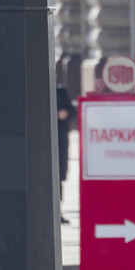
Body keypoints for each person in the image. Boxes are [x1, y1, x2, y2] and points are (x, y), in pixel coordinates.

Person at [56, 83, 76, 224]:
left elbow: (72, 110)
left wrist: (66, 113)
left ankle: (58, 211)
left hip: (60, 137)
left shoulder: (60, 91)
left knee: (58, 176)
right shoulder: (35, 92)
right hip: (41, 138)